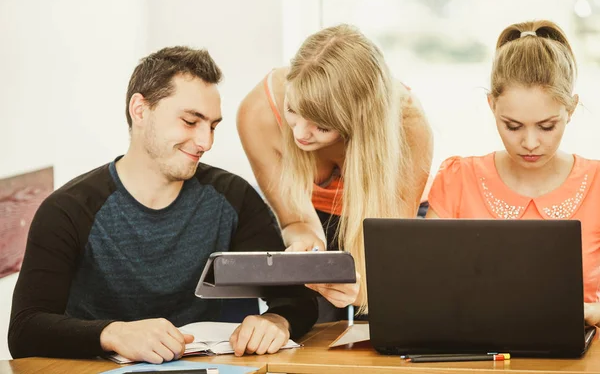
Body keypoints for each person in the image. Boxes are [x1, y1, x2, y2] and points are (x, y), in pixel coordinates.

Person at [8, 46, 318, 362]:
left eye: (212, 126)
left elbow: (297, 300)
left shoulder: (236, 199)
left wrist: (276, 321)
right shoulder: (68, 210)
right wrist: (113, 334)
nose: (206, 142)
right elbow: (25, 330)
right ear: (139, 109)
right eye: (190, 121)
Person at [237, 24, 433, 320]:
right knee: (310, 319)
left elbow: (387, 249)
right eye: (293, 110)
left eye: (323, 126)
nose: (300, 134)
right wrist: (307, 243)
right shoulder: (259, 112)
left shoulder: (409, 125)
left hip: (384, 224)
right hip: (312, 215)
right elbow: (296, 220)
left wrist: (363, 292)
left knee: (388, 319)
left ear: (359, 121)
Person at [426, 20, 600, 325]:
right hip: (474, 356)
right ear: (492, 105)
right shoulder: (457, 179)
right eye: (513, 126)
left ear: (570, 111)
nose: (530, 143)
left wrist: (592, 313)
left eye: (547, 127)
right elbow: (424, 287)